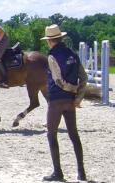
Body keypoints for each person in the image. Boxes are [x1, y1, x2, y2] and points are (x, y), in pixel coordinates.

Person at [41, 24, 88, 181]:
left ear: (49, 40)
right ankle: (81, 173)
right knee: (74, 135)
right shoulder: (73, 54)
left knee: (51, 135)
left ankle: (58, 173)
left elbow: (58, 80)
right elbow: (84, 77)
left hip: (56, 101)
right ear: (60, 37)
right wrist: (78, 96)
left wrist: (70, 88)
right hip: (70, 102)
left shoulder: (52, 56)